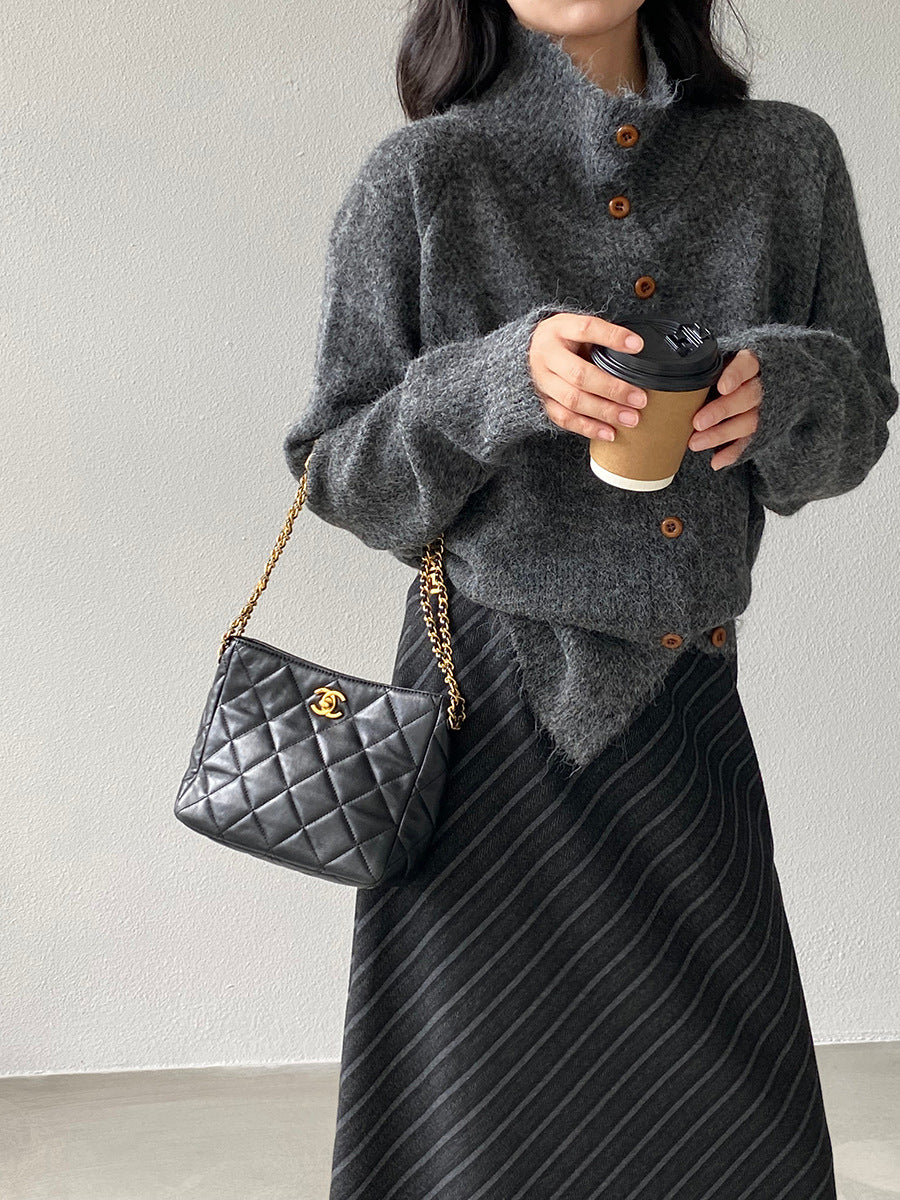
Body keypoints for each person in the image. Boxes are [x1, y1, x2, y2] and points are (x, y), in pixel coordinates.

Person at [282, 2, 897, 1196]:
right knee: (479, 1126)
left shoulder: (786, 158)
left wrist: (783, 388)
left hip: (685, 699)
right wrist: (498, 381)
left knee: (738, 1131)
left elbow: (860, 422)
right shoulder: (422, 177)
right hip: (484, 722)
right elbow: (340, 471)